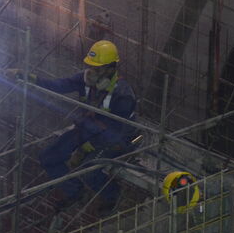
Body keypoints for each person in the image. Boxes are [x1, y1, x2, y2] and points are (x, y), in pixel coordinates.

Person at [7, 40, 137, 214]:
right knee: (49, 157)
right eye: (89, 67)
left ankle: (112, 196)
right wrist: (26, 76)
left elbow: (116, 132)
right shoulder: (86, 82)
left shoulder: (123, 95)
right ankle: (74, 191)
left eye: (96, 69)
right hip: (88, 129)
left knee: (88, 169)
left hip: (115, 138)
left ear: (110, 69)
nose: (90, 72)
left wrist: (83, 150)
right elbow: (58, 86)